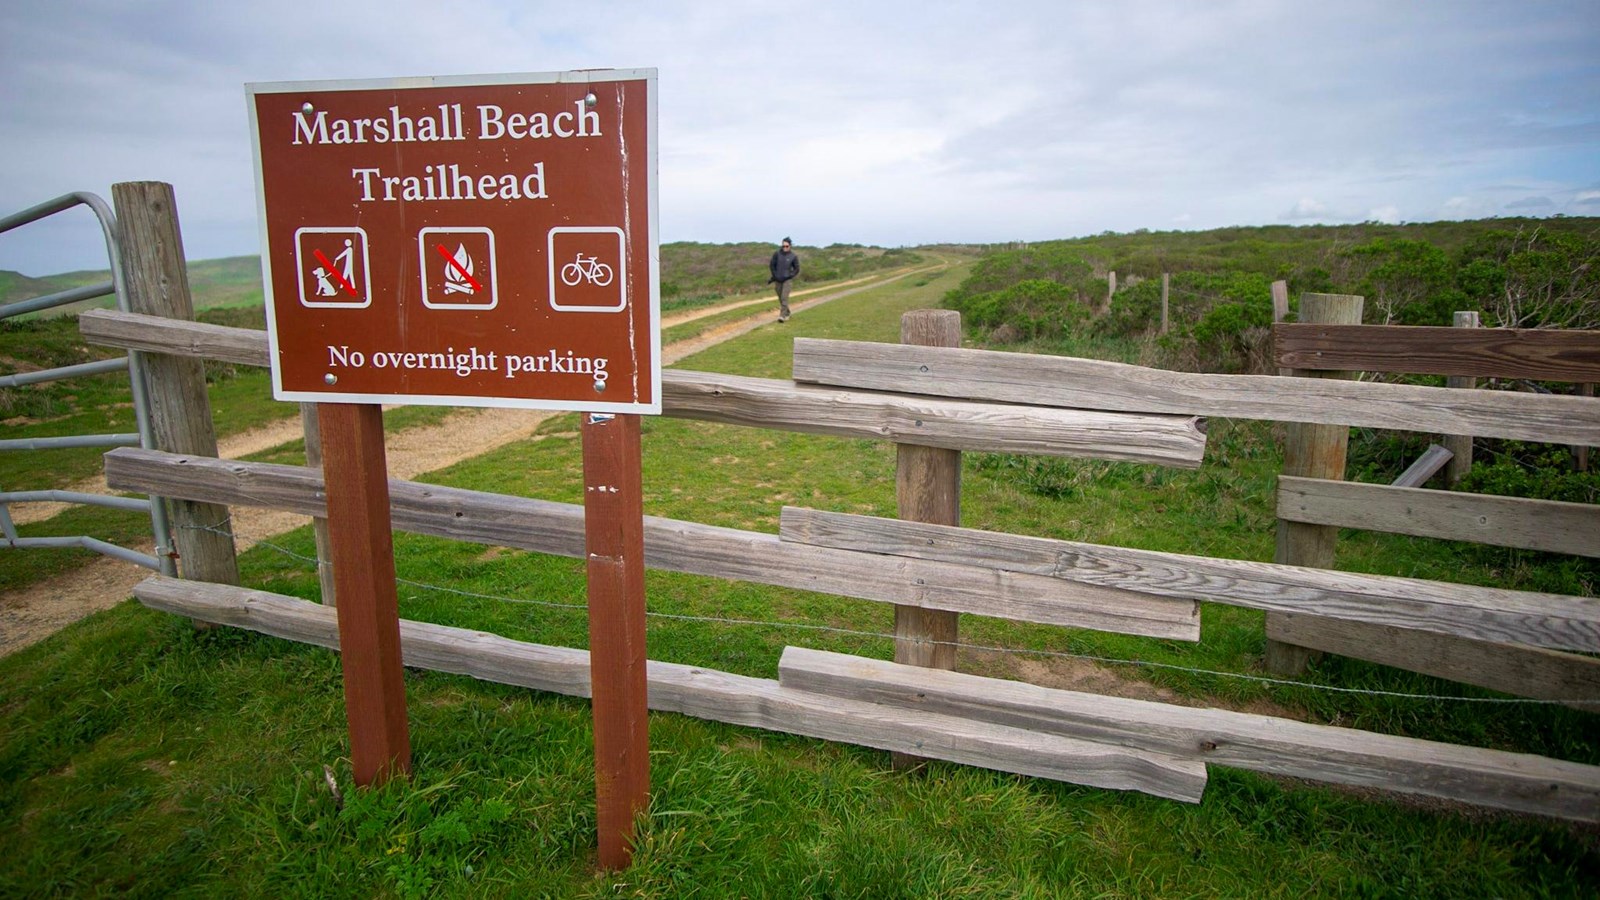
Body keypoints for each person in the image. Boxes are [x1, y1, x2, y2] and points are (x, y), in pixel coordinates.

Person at [768, 237, 800, 322]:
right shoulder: (777, 254)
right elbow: (772, 265)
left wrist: (790, 275)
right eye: (783, 246)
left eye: (787, 246)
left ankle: (782, 316)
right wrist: (774, 275)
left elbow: (796, 269)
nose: (785, 248)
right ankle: (787, 312)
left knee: (784, 297)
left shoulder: (793, 256)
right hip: (778, 279)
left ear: (790, 246)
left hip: (787, 280)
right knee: (780, 298)